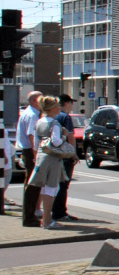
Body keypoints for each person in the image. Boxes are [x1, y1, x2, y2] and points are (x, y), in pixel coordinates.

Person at [24, 96, 71, 230]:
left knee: (44, 188)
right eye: (57, 106)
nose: (59, 108)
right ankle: (47, 220)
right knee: (52, 188)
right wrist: (64, 136)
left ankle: (45, 218)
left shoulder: (39, 122)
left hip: (40, 155)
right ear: (53, 109)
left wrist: (36, 156)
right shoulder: (54, 124)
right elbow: (56, 142)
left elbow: (35, 143)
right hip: (52, 158)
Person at [15, 90, 42, 227]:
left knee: (30, 185)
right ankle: (29, 218)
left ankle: (29, 216)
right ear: (34, 101)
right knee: (32, 186)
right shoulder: (32, 115)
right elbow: (32, 137)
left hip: (26, 151)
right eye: (40, 99)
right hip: (31, 152)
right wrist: (36, 156)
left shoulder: (27, 113)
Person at [52, 94, 80, 222]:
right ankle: (60, 212)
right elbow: (70, 136)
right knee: (63, 184)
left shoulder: (51, 116)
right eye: (70, 102)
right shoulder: (65, 117)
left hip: (53, 154)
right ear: (64, 103)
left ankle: (51, 209)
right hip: (64, 154)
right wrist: (73, 154)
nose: (71, 105)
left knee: (53, 184)